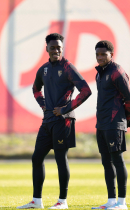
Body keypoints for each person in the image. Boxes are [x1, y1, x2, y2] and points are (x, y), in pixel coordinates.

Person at [17, 33, 92, 209]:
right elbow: (36, 89)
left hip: (64, 121)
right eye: (53, 47)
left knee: (60, 158)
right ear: (47, 49)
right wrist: (43, 105)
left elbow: (86, 90)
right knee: (36, 158)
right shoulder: (43, 69)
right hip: (48, 120)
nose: (56, 50)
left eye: (59, 47)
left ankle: (62, 201)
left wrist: (66, 109)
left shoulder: (68, 67)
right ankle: (36, 201)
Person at [93, 40, 130, 210]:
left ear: (112, 54)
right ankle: (111, 201)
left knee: (117, 160)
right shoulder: (99, 73)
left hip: (114, 123)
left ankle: (122, 202)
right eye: (97, 54)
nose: (100, 57)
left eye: (104, 54)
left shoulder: (116, 71)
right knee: (106, 161)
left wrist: (125, 118)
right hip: (102, 124)